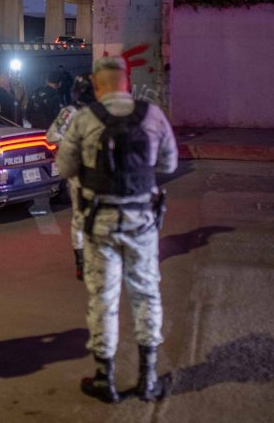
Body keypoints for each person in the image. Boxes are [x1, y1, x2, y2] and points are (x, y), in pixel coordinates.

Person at [56, 56, 178, 404]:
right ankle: (147, 379)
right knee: (146, 295)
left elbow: (64, 168)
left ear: (97, 86)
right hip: (141, 222)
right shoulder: (152, 115)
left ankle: (104, 379)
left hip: (100, 223)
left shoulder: (83, 118)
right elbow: (169, 163)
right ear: (127, 82)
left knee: (103, 300)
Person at [46, 73, 95, 280]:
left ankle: (82, 263)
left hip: (80, 172)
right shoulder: (105, 110)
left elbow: (52, 136)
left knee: (79, 217)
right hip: (97, 171)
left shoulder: (70, 111)